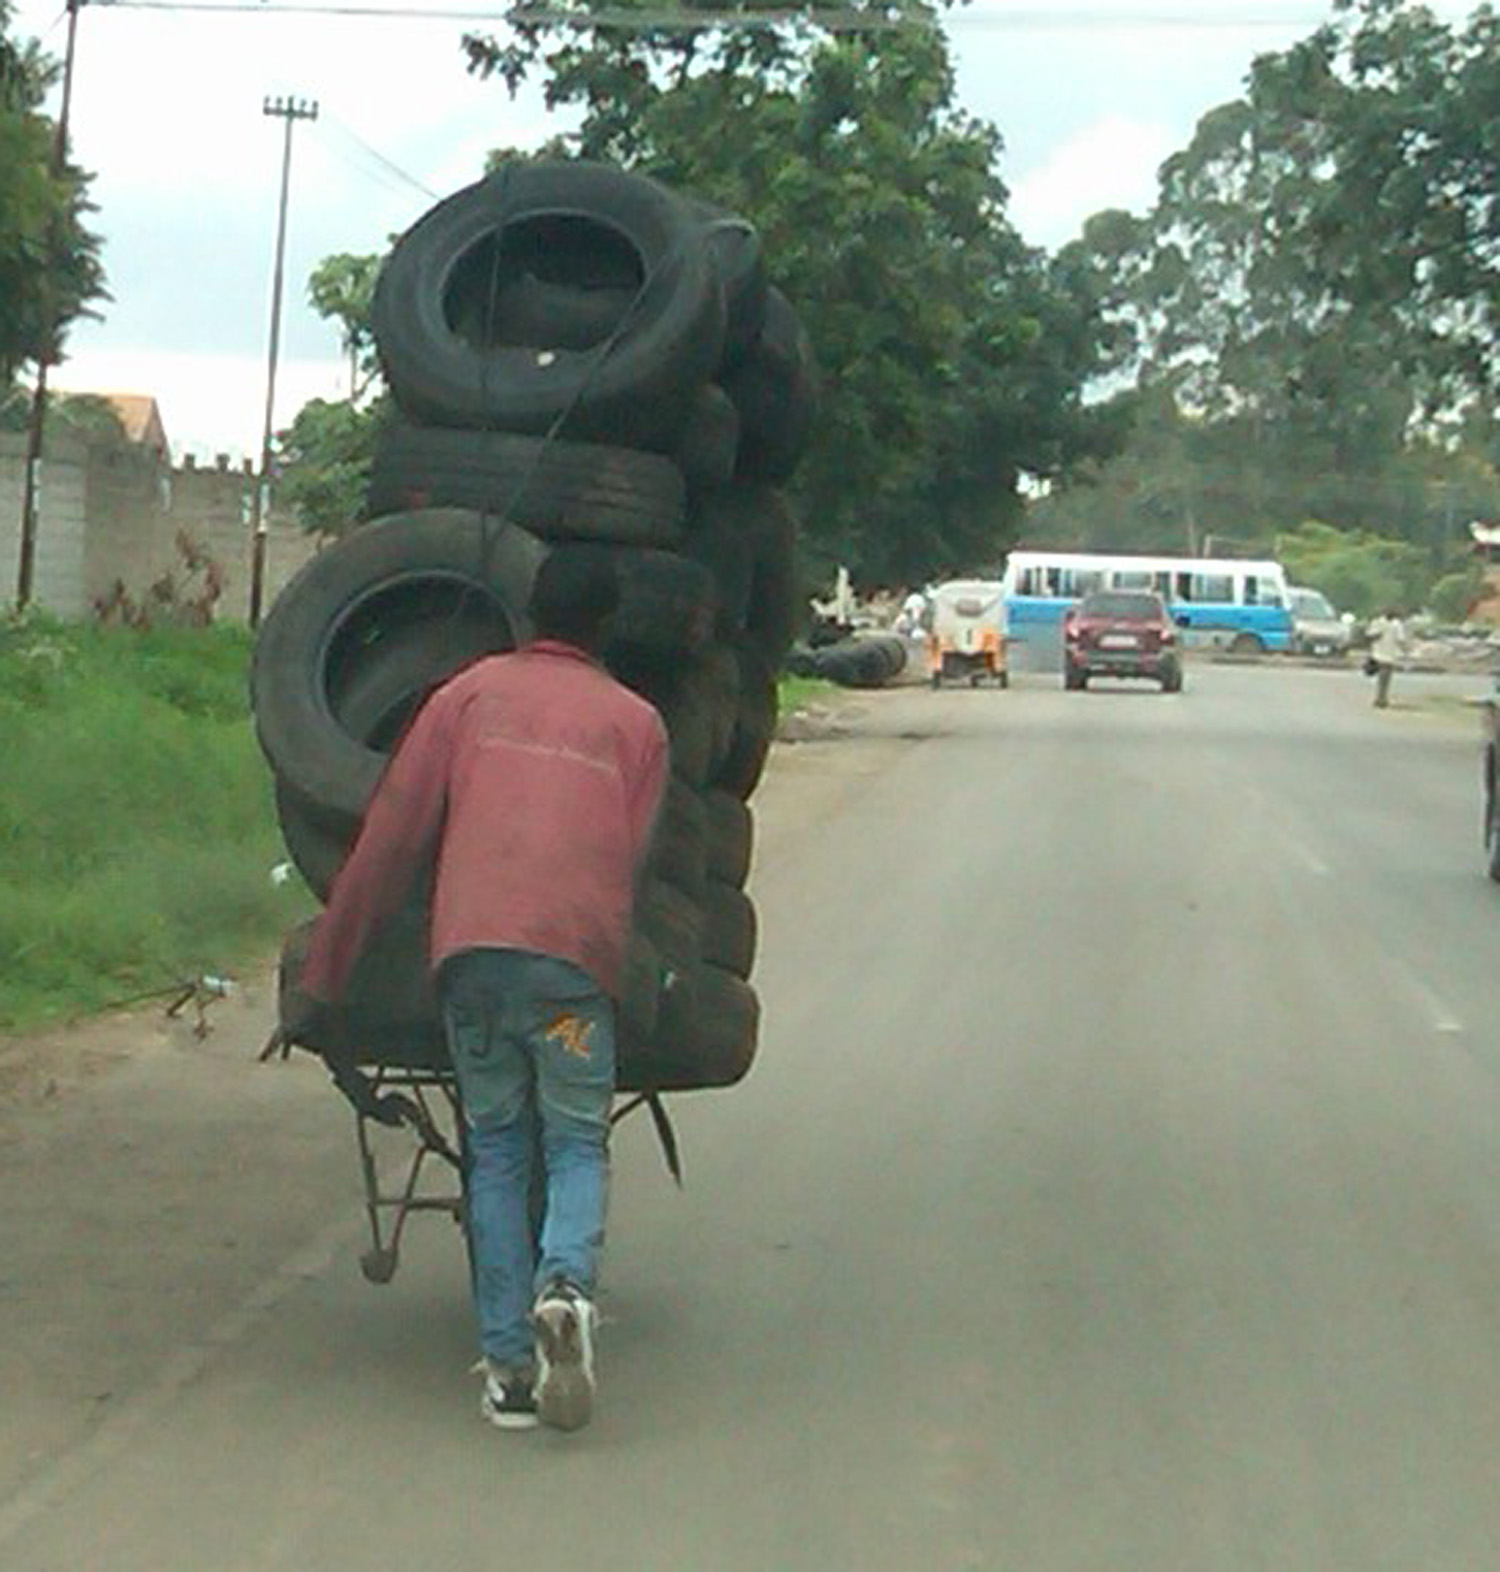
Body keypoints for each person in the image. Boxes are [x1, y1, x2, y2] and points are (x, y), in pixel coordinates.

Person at [297, 545, 669, 1433]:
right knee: (575, 1143)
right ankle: (565, 1287)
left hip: (474, 965)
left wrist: (328, 972)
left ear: (530, 613)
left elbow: (392, 836)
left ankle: (507, 1369)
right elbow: (632, 860)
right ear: (607, 626)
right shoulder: (638, 724)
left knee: (496, 1148)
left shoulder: (464, 697)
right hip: (571, 975)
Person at [1366, 607, 1409, 709]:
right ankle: (1382, 698)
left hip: (1378, 653)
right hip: (1389, 655)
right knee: (1385, 679)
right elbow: (1401, 640)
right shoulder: (1396, 624)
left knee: (1381, 679)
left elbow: (1369, 635)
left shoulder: (1377, 622)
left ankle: (1380, 698)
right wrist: (1405, 650)